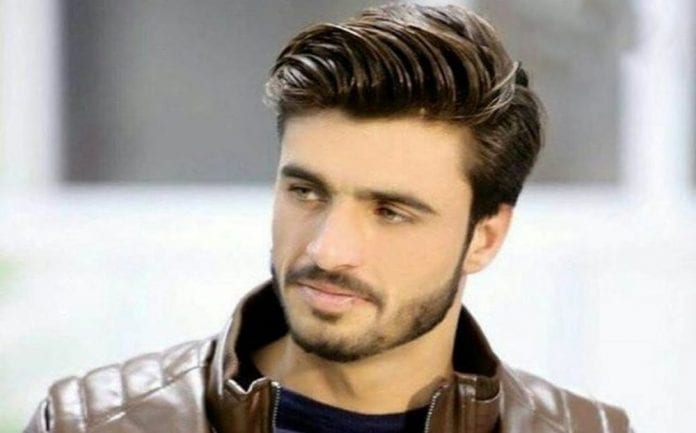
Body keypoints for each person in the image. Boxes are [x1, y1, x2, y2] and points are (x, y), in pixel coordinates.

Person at [25, 3, 632, 433]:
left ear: (485, 237)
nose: (327, 250)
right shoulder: (95, 424)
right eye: (307, 193)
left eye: (390, 211)